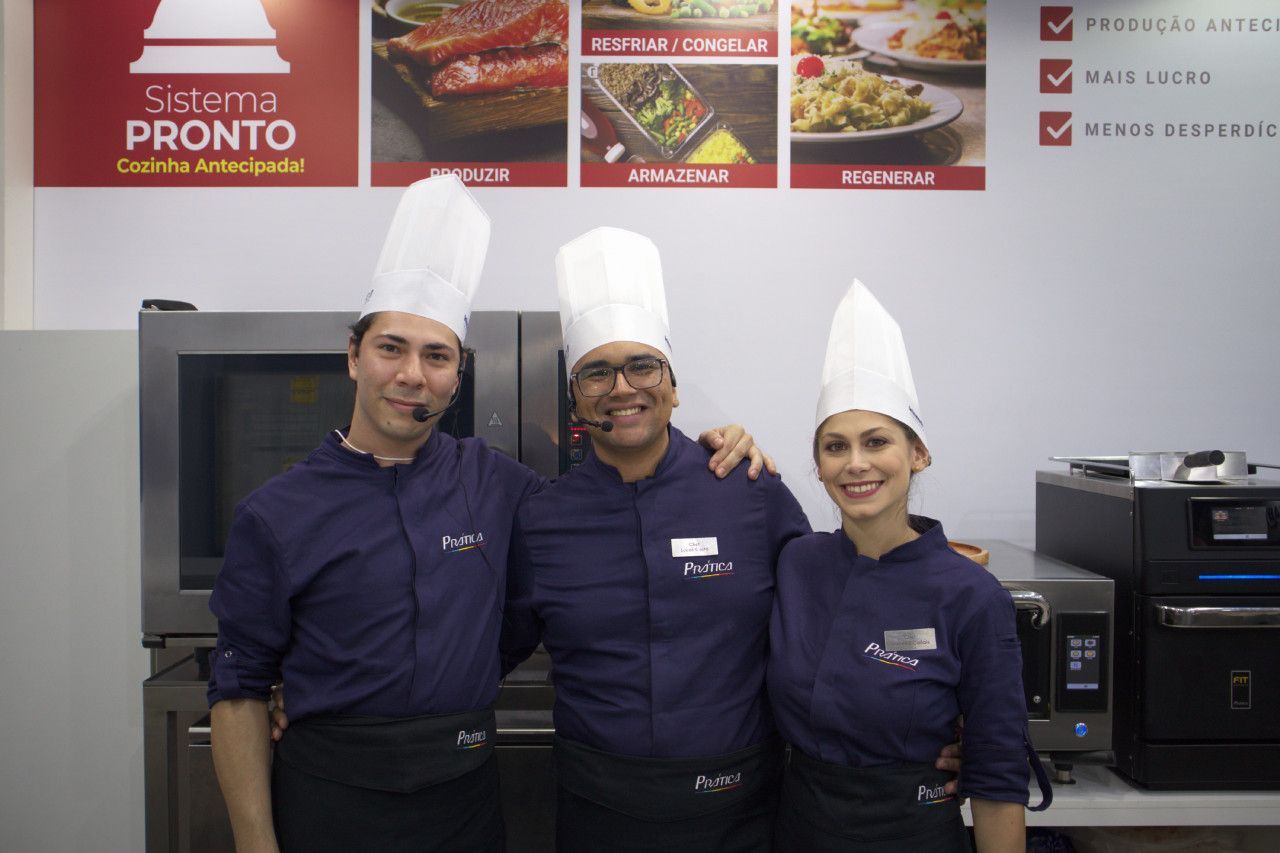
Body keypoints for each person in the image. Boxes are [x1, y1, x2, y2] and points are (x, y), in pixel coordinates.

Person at [207, 180, 764, 853]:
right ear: (353, 356)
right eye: (391, 347)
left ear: (459, 373)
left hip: (463, 797)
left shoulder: (499, 483)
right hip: (330, 796)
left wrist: (721, 447)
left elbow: (610, 507)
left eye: (436, 355)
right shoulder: (274, 513)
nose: (412, 374)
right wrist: (256, 845)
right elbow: (237, 687)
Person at [500, 230, 963, 852]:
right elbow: (488, 646)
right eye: (596, 373)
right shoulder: (541, 519)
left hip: (739, 806)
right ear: (576, 396)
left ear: (673, 382)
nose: (622, 388)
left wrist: (937, 712)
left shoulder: (749, 489)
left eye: (642, 365)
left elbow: (839, 613)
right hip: (597, 803)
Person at [766, 281, 1050, 853]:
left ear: (917, 454)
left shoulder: (971, 595)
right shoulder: (797, 563)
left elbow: (997, 775)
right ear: (818, 465)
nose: (856, 464)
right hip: (795, 829)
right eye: (835, 447)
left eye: (877, 441)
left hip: (911, 834)